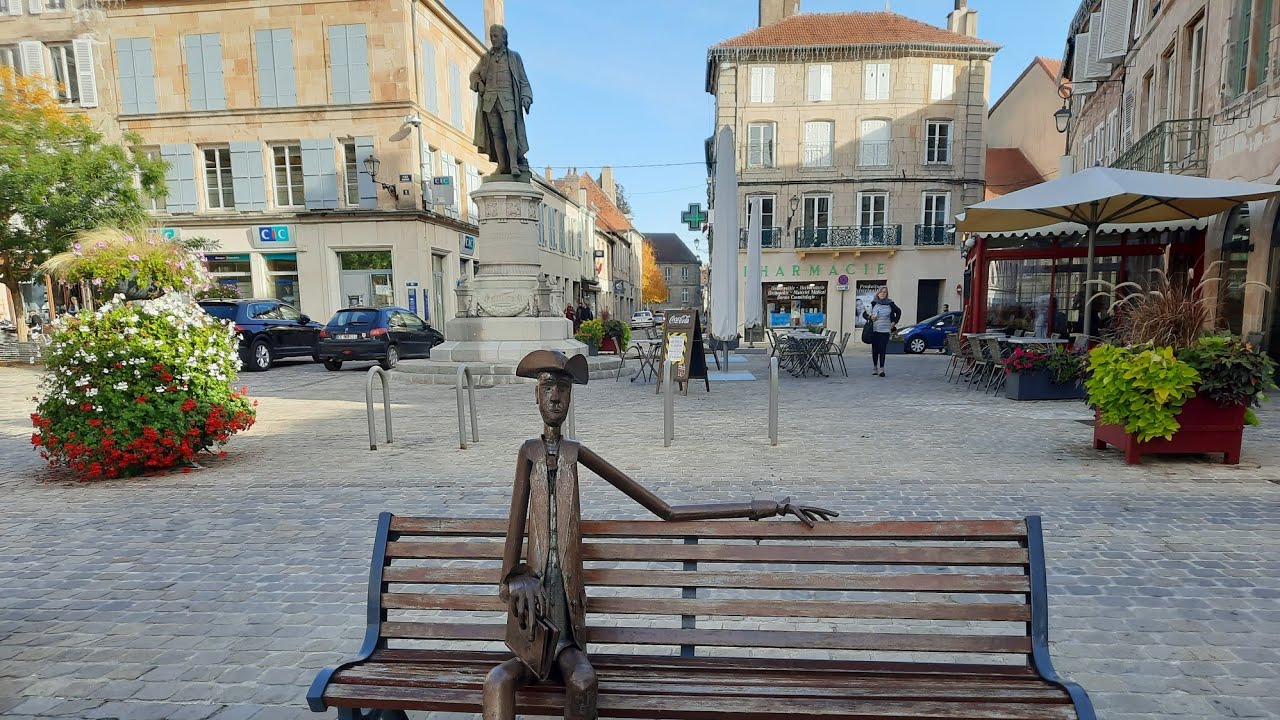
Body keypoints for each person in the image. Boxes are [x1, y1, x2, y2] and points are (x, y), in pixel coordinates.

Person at [484, 351, 836, 720]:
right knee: (496, 681)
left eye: (564, 389)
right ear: (535, 396)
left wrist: (769, 507)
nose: (555, 397)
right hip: (531, 640)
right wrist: (518, 578)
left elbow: (666, 510)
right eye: (547, 387)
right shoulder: (528, 453)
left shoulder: (575, 454)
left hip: (568, 639)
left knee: (585, 682)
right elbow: (506, 578)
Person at [470, 25, 533, 180]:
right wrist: (479, 83)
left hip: (508, 99)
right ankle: (502, 165)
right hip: (490, 100)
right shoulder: (486, 58)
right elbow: (474, 75)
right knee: (497, 134)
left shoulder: (514, 57)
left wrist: (526, 96)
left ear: (504, 38)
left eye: (496, 36)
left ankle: (514, 165)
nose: (493, 39)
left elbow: (523, 80)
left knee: (510, 131)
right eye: (491, 36)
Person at [862, 287, 900, 377]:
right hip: (874, 329)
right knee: (875, 349)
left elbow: (898, 312)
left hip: (885, 329)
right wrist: (870, 317)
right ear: (878, 293)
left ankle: (881, 368)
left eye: (885, 292)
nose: (883, 294)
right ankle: (875, 367)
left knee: (882, 349)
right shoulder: (874, 303)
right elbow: (864, 314)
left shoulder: (890, 303)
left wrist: (894, 322)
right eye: (881, 292)